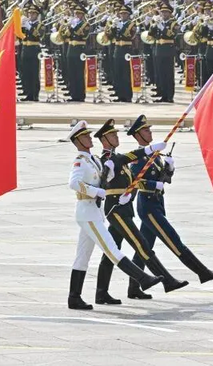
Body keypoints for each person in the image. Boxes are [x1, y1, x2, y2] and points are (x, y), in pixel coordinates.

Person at [66, 120, 163, 310]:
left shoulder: (93, 160)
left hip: (93, 212)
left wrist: (109, 175)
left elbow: (106, 177)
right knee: (112, 250)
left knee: (82, 257)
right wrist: (97, 192)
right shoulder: (80, 161)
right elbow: (74, 183)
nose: (89, 138)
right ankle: (143, 279)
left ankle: (74, 297)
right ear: (78, 141)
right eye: (85, 136)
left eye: (88, 135)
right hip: (87, 212)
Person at [93, 119, 189, 304]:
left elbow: (132, 164)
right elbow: (103, 182)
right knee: (141, 244)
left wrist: (153, 151)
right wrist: (108, 181)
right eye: (112, 135)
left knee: (112, 251)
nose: (116, 136)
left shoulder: (117, 158)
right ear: (104, 139)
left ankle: (101, 292)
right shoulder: (106, 160)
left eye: (116, 133)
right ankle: (167, 281)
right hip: (116, 209)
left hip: (124, 208)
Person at [128, 115, 213, 297]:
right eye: (146, 130)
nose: (150, 132)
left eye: (149, 129)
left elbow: (164, 178)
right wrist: (153, 185)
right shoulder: (138, 158)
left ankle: (133, 288)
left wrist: (169, 169)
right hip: (147, 206)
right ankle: (202, 272)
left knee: (144, 249)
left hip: (157, 203)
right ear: (138, 135)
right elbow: (134, 181)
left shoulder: (155, 155)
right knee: (173, 239)